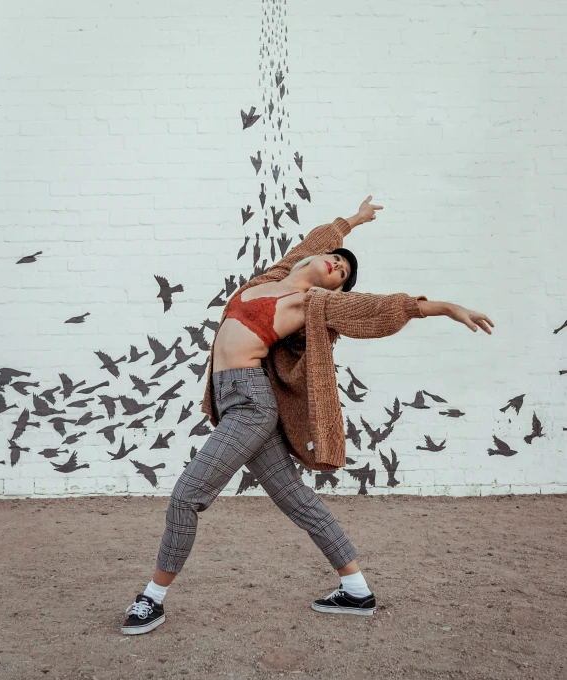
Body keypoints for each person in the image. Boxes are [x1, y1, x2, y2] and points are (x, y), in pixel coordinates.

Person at [121, 196, 494, 634]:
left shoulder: (312, 303)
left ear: (335, 290)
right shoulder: (276, 275)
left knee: (187, 495)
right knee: (296, 499)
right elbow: (317, 240)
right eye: (336, 260)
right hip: (232, 399)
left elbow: (376, 309)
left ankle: (153, 598)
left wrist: (445, 307)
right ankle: (356, 590)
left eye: (344, 274)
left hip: (250, 405)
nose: (339, 266)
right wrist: (352, 221)